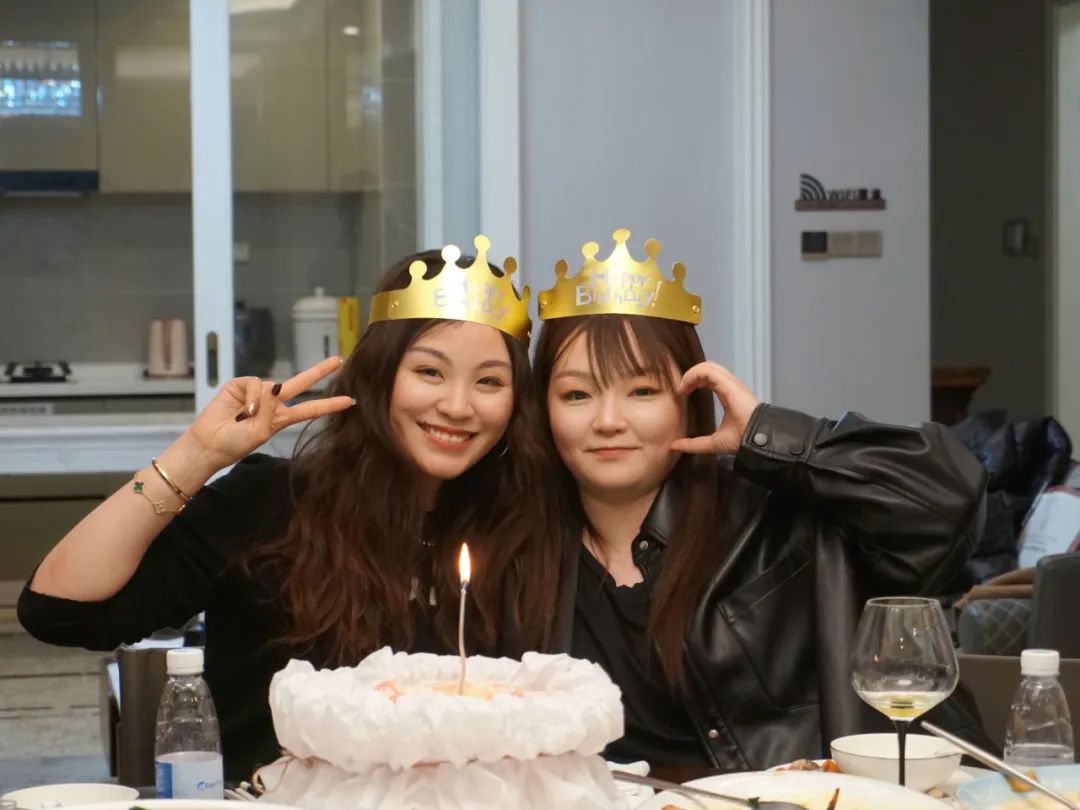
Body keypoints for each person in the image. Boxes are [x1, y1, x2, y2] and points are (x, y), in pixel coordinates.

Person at [18, 238, 563, 781]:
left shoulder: (526, 527)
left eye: (489, 381)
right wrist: (198, 455)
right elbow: (58, 611)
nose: (458, 406)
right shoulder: (270, 505)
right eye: (429, 372)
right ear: (379, 375)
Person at [533, 228, 991, 770]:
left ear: (691, 399)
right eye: (577, 394)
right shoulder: (524, 550)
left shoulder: (778, 510)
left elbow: (949, 501)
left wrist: (770, 434)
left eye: (643, 391)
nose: (608, 420)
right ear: (542, 409)